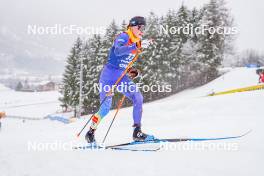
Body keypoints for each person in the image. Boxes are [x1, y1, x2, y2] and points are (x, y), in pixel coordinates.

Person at [85, 16, 153, 143]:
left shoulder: (137, 42)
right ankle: (90, 132)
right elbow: (118, 51)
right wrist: (136, 46)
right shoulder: (124, 36)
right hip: (108, 77)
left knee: (138, 97)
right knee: (105, 109)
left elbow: (124, 62)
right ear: (132, 26)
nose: (142, 30)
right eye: (140, 27)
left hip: (122, 77)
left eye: (144, 27)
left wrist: (132, 71)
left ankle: (137, 132)